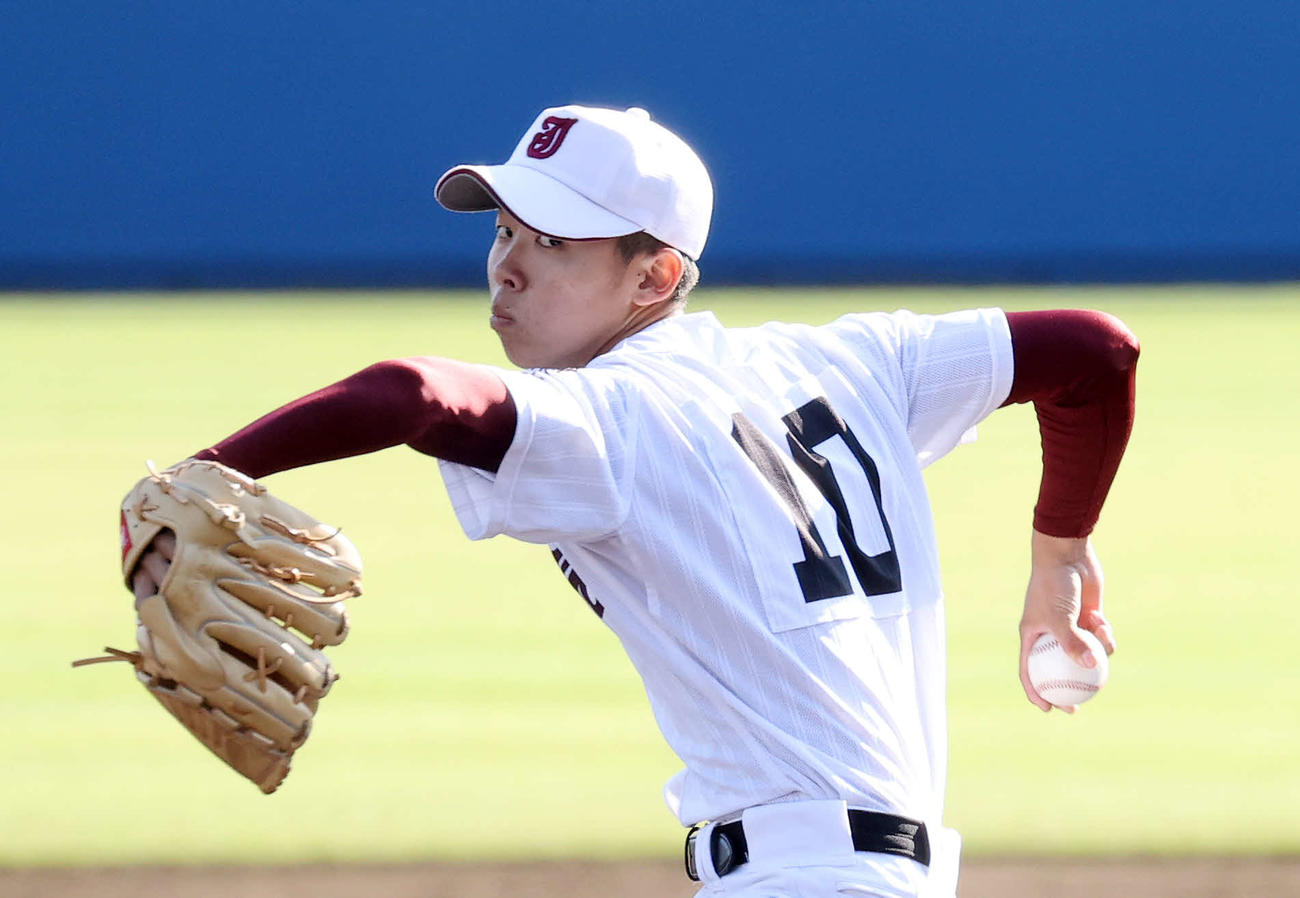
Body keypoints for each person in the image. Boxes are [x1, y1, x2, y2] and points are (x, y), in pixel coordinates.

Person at [130, 104, 1139, 897]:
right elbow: (1093, 352)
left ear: (655, 275)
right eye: (504, 230)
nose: (508, 267)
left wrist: (201, 473)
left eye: (557, 243)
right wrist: (1060, 553)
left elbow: (410, 393)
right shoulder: (847, 363)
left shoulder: (614, 417)